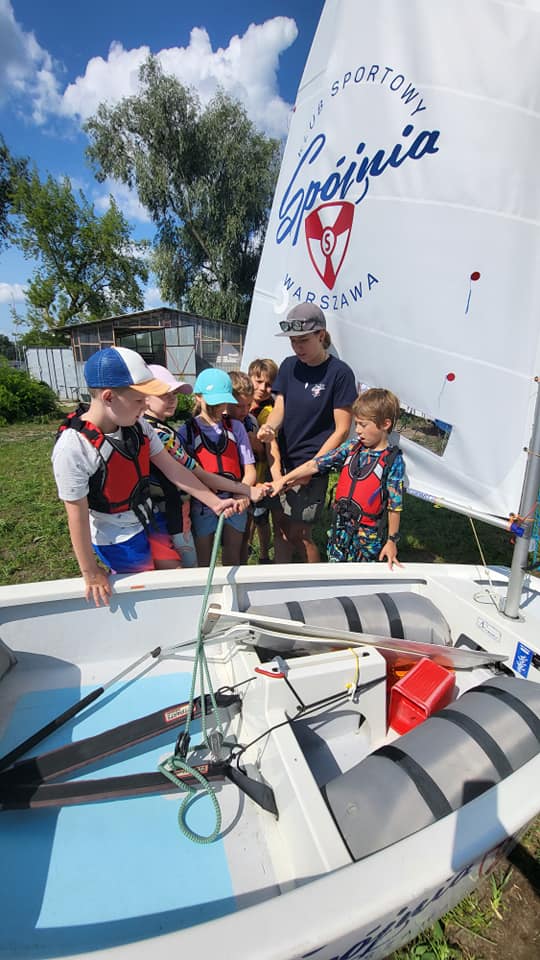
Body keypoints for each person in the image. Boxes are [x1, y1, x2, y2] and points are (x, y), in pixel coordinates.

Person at [52, 347, 253, 606]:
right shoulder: (73, 447)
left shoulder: (139, 426)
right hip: (118, 534)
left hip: (149, 519)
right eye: (139, 400)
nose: (144, 406)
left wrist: (214, 502)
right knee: (146, 589)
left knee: (177, 577)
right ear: (109, 397)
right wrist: (90, 572)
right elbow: (75, 514)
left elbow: (174, 469)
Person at [258, 302, 357, 563]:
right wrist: (270, 427)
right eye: (293, 341)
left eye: (303, 340)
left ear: (321, 336)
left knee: (300, 533)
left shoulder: (340, 373)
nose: (297, 347)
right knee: (281, 528)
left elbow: (342, 430)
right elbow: (280, 408)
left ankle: (315, 585)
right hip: (281, 461)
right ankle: (279, 581)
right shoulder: (289, 366)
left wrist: (314, 466)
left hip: (312, 465)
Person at [272, 388, 405, 568]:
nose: (357, 430)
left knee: (361, 580)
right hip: (340, 530)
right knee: (336, 570)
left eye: (363, 425)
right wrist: (283, 480)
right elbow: (315, 464)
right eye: (356, 424)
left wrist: (391, 541)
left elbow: (394, 505)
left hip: (367, 538)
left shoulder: (392, 460)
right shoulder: (352, 447)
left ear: (385, 424)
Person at [178, 368, 258, 567]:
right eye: (212, 402)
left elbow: (250, 470)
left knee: (233, 555)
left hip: (235, 500)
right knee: (205, 559)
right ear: (198, 398)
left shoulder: (236, 428)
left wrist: (242, 494)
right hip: (203, 504)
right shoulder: (186, 431)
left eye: (222, 402)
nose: (218, 408)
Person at [142, 364, 198, 569]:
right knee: (186, 570)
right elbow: (195, 472)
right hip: (172, 514)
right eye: (164, 394)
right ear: (144, 397)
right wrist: (242, 489)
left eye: (174, 393)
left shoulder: (143, 428)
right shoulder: (161, 434)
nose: (173, 398)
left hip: (153, 512)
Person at [245, 358, 280, 564]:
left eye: (268, 384)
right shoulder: (240, 405)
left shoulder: (270, 411)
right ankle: (246, 548)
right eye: (258, 382)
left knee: (260, 517)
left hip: (262, 470)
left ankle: (264, 555)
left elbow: (266, 445)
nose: (263, 388)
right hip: (244, 472)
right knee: (247, 516)